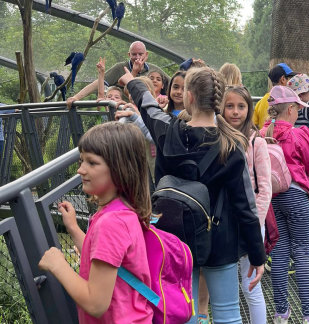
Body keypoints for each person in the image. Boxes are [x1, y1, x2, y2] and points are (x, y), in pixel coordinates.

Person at [121, 66, 266, 324]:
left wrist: (133, 82)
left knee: (183, 310)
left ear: (188, 97)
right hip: (220, 240)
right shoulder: (231, 146)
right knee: (228, 313)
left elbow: (149, 107)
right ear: (219, 101)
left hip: (176, 239)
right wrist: (257, 255)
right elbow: (246, 206)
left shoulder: (168, 132)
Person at [38, 122, 154, 324]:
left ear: (120, 168)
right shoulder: (120, 210)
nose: (80, 170)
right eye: (82, 160)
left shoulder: (111, 223)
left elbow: (96, 304)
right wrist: (73, 228)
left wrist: (59, 265)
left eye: (92, 163)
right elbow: (104, 260)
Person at [259, 86, 309, 324]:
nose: (299, 113)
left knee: (279, 254)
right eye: (297, 108)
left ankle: (281, 312)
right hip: (296, 198)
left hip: (272, 200)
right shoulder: (297, 134)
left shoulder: (261, 133)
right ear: (289, 109)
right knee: (303, 254)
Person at [222, 85, 272, 324]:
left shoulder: (256, 143)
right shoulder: (217, 140)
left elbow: (265, 188)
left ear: (249, 110)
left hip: (250, 221)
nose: (235, 112)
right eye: (229, 106)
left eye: (241, 107)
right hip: (224, 221)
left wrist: (255, 224)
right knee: (226, 284)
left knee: (251, 285)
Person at [66, 41, 167, 107]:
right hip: (124, 112)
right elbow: (98, 83)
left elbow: (173, 84)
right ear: (129, 55)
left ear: (146, 54)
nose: (137, 57)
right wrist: (76, 97)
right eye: (134, 54)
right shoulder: (120, 68)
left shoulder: (154, 70)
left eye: (140, 54)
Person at [253, 63, 296, 129]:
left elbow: (254, 125)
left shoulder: (260, 103)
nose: (292, 83)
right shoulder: (285, 102)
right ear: (283, 79)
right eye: (290, 79)